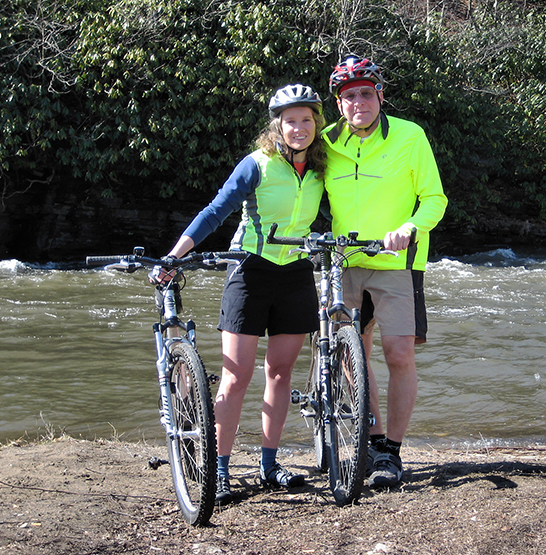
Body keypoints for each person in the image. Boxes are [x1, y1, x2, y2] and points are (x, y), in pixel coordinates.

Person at [158, 84, 326, 504]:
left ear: (316, 123)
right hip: (249, 271)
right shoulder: (257, 164)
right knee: (235, 377)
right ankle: (220, 468)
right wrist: (175, 255)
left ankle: (270, 464)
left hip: (296, 272)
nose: (299, 128)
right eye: (291, 120)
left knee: (281, 374)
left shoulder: (326, 165)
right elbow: (216, 210)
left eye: (307, 119)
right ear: (278, 125)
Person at [323, 56, 448, 488]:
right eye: (349, 95)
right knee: (352, 354)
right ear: (339, 103)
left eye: (365, 93)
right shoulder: (325, 143)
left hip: (397, 262)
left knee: (398, 354)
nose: (358, 101)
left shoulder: (410, 136)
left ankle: (391, 451)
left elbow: (435, 198)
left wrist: (409, 227)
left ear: (380, 96)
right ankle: (370, 438)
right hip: (345, 262)